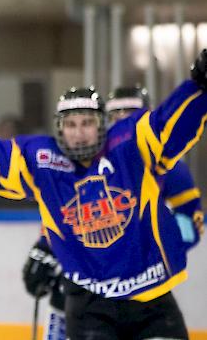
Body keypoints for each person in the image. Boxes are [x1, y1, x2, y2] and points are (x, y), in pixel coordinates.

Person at [0, 54, 207, 339]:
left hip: (151, 301)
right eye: (71, 125)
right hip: (90, 304)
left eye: (87, 123)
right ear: (60, 128)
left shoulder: (132, 145)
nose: (79, 134)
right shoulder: (44, 161)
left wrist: (198, 90)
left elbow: (170, 124)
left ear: (101, 125)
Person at [20, 86, 204, 340]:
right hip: (89, 290)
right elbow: (68, 219)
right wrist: (47, 248)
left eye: (130, 112)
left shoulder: (168, 165)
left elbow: (193, 223)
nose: (122, 119)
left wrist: (149, 241)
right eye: (115, 113)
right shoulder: (82, 163)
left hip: (143, 284)